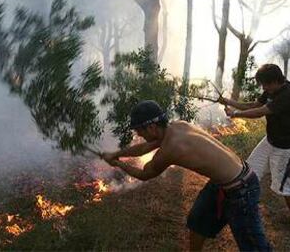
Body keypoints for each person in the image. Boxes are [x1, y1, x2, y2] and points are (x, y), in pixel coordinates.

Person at [101, 100, 271, 251]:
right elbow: (146, 147)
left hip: (241, 189)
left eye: (139, 130)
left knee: (254, 247)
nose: (139, 135)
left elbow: (145, 174)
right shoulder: (178, 126)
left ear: (152, 127)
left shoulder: (171, 149)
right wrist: (117, 153)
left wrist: (118, 163)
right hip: (227, 181)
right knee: (198, 220)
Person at [220, 63, 290, 237]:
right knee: (249, 171)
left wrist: (235, 114)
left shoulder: (289, 94)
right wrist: (230, 102)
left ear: (275, 81)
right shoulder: (272, 90)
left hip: (286, 148)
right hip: (271, 141)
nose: (264, 88)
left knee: (284, 187)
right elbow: (254, 104)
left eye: (265, 85)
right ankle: (248, 207)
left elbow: (260, 111)